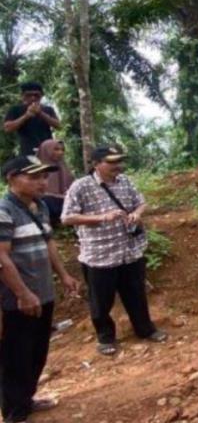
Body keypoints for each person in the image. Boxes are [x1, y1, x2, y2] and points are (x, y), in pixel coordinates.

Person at [0, 156, 81, 423]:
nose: (42, 182)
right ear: (12, 178)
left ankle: (26, 399)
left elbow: (49, 244)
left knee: (37, 351)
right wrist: (22, 293)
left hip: (42, 292)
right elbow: (2, 257)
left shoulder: (40, 206)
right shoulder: (4, 210)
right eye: (33, 177)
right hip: (16, 298)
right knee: (15, 355)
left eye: (44, 177)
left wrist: (64, 275)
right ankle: (13, 416)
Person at [62, 146, 167, 356]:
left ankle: (145, 330)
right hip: (100, 256)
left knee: (136, 295)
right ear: (96, 164)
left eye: (119, 161)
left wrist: (137, 214)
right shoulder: (81, 186)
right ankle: (106, 337)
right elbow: (67, 218)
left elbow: (141, 203)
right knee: (101, 301)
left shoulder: (125, 181)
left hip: (130, 252)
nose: (117, 165)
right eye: (111, 162)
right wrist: (102, 217)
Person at [4, 82, 61, 155]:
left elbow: (59, 126)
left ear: (41, 96)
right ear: (22, 96)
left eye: (36, 95)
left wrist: (41, 113)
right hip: (26, 151)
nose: (33, 98)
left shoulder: (48, 109)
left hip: (47, 152)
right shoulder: (15, 109)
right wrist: (26, 116)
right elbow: (8, 128)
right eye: (28, 95)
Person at [36, 139, 74, 225]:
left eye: (62, 150)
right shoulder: (35, 171)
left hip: (65, 207)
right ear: (46, 150)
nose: (60, 152)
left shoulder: (64, 168)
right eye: (56, 149)